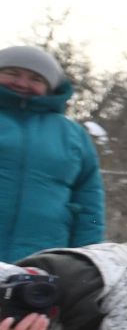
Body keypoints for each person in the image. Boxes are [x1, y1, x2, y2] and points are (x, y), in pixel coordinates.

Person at [0, 45, 105, 264]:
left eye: (36, 79)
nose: (22, 83)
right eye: (12, 73)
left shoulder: (72, 134)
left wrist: (89, 255)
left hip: (42, 262)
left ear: (49, 88)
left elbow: (90, 201)